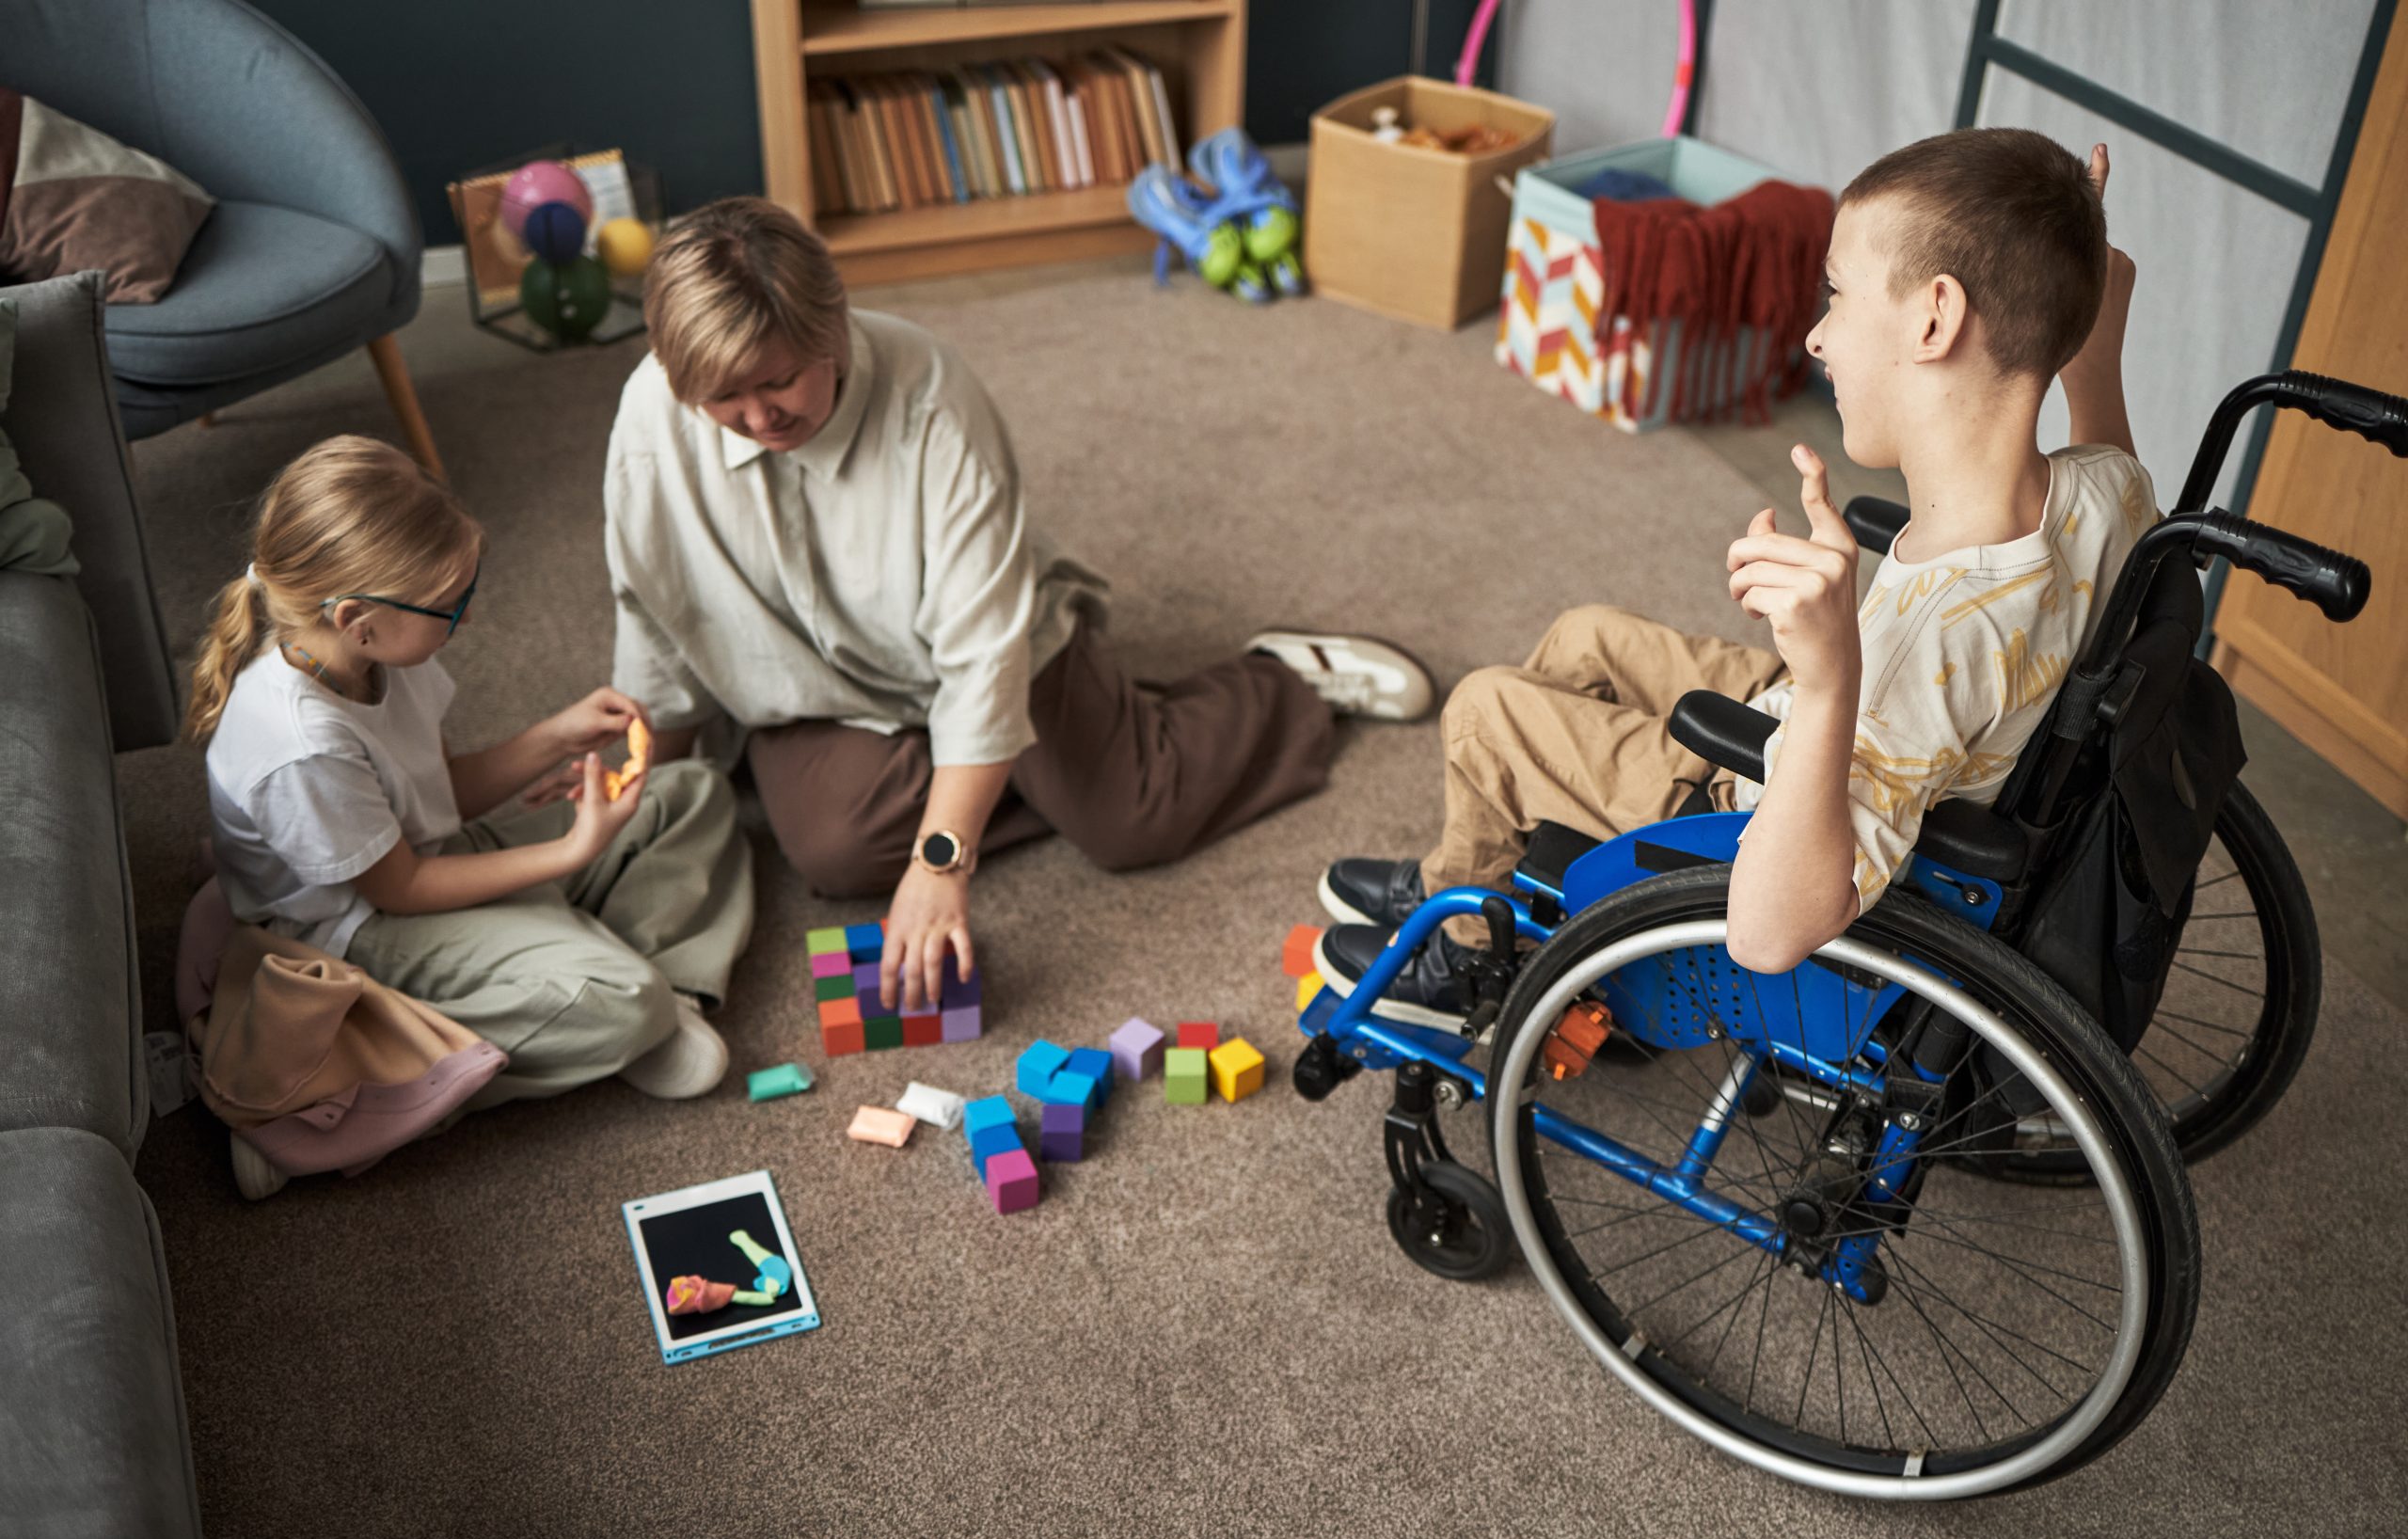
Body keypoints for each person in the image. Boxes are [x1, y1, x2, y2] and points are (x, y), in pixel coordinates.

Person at [1315, 129, 2151, 1023]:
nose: (1816, 335)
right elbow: (2108, 452)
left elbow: (1770, 932)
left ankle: (1467, 956)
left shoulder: (1927, 646)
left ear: (1934, 320)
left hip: (1758, 809)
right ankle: (1484, 868)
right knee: (1584, 634)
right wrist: (2076, 306)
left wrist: (1830, 682)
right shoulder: (2107, 493)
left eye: (1836, 294)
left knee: (1485, 714)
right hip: (1845, 725)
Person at [605, 197, 1432, 1013]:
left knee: (1130, 818)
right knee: (833, 852)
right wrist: (645, 796)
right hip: (819, 688)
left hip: (993, 648)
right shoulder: (653, 415)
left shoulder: (932, 400)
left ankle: (1280, 683)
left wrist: (940, 860)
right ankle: (1020, 762)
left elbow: (983, 655)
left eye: (780, 380)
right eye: (725, 398)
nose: (758, 417)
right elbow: (657, 619)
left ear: (833, 327)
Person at [187, 436, 754, 1196]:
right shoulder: (301, 743)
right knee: (626, 997)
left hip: (429, 855)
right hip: (363, 925)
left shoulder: (380, 654)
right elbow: (400, 889)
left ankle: (636, 994)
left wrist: (557, 736)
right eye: (450, 603)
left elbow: (439, 789)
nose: (467, 613)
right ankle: (347, 1100)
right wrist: (573, 850)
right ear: (357, 619)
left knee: (694, 790)